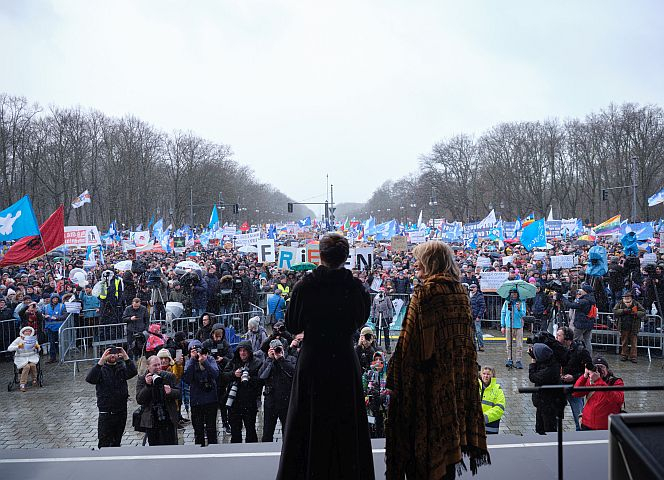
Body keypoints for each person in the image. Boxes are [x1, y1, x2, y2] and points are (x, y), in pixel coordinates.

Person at [386, 241, 489, 480]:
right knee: (447, 451)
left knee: (426, 451)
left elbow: (409, 346)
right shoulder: (461, 292)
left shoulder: (426, 293)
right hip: (454, 382)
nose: (415, 265)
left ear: (430, 262)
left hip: (428, 386)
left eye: (419, 259)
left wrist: (396, 380)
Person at [277, 233, 375, 480]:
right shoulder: (355, 288)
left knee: (307, 420)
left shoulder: (305, 286)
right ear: (346, 257)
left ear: (319, 255)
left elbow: (292, 324)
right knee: (346, 420)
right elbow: (360, 319)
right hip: (343, 359)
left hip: (314, 359)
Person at [85, 346, 137, 448]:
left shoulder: (121, 367)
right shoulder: (101, 369)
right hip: (106, 413)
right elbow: (90, 379)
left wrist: (126, 356)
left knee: (116, 442)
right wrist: (101, 361)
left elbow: (133, 372)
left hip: (121, 411)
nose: (112, 355)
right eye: (109, 353)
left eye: (115, 353)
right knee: (104, 443)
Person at [222, 340, 264, 443]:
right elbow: (223, 376)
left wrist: (249, 379)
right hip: (234, 402)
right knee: (235, 431)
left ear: (249, 352)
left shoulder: (257, 363)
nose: (242, 353)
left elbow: (261, 381)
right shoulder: (234, 361)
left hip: (249, 402)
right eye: (240, 350)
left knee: (250, 430)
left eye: (245, 350)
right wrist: (234, 374)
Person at [135, 355, 181, 445]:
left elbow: (179, 393)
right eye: (155, 365)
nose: (158, 367)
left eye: (159, 365)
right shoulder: (142, 378)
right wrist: (147, 386)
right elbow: (139, 399)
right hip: (151, 419)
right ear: (148, 366)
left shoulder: (168, 376)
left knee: (171, 446)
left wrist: (171, 391)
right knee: (155, 448)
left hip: (168, 417)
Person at [183, 339, 219, 446]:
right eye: (193, 350)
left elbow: (215, 374)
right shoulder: (189, 362)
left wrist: (205, 362)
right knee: (198, 430)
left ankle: (213, 450)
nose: (196, 352)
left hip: (210, 399)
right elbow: (187, 379)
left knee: (211, 429)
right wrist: (193, 360)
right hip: (196, 400)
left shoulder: (210, 359)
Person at [259, 338, 296, 442]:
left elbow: (294, 374)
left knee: (288, 432)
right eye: (274, 349)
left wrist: (281, 360)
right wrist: (270, 360)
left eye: (278, 349)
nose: (277, 352)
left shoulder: (291, 359)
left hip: (286, 401)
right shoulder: (268, 360)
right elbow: (262, 376)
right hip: (271, 401)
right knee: (267, 432)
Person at [573, 356, 624, 430]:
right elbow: (576, 393)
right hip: (587, 424)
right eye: (596, 367)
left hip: (606, 426)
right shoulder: (589, 381)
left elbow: (618, 399)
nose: (599, 369)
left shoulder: (616, 382)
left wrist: (598, 381)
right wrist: (584, 376)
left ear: (607, 369)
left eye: (602, 367)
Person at [556, 326, 591, 431]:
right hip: (560, 387)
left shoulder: (580, 351)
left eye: (559, 335)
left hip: (574, 388)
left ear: (566, 337)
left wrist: (573, 377)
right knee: (556, 418)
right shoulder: (557, 349)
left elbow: (589, 371)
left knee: (579, 419)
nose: (556, 337)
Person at [202, 323, 233, 434]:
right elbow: (201, 356)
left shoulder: (225, 344)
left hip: (221, 377)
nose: (218, 338)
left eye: (220, 336)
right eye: (216, 335)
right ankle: (208, 426)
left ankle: (225, 423)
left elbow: (231, 358)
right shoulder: (206, 344)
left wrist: (222, 359)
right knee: (209, 404)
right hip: (209, 376)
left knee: (223, 402)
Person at [528, 343, 565, 434]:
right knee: (540, 427)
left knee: (548, 430)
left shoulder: (549, 371)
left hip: (549, 405)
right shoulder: (549, 361)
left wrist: (532, 363)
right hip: (543, 403)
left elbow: (533, 377)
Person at [560, 283, 596, 357]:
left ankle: (571, 355)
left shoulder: (584, 300)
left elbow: (571, 305)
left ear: (586, 291)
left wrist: (562, 298)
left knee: (573, 340)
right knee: (587, 341)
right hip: (589, 324)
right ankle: (589, 356)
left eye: (582, 290)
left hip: (581, 324)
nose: (581, 291)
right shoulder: (592, 299)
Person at [612, 290, 646, 363]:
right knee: (624, 342)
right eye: (625, 297)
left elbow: (643, 311)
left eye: (628, 297)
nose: (627, 298)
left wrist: (636, 313)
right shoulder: (620, 303)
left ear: (631, 297)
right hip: (623, 326)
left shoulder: (636, 303)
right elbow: (615, 311)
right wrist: (623, 311)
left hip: (634, 326)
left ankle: (633, 357)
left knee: (634, 342)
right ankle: (624, 355)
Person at [7, 326, 41, 392]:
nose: (27, 332)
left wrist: (37, 347)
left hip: (31, 356)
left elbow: (39, 349)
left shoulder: (33, 339)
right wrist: (18, 346)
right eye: (26, 331)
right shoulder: (18, 339)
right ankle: (22, 384)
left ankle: (34, 379)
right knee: (27, 367)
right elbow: (9, 348)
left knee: (33, 365)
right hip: (21, 357)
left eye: (29, 331)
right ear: (23, 332)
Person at [500, 289, 527, 368]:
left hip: (519, 326)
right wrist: (502, 325)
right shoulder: (507, 302)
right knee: (509, 344)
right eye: (512, 294)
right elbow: (503, 313)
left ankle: (518, 360)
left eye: (515, 294)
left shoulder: (522, 303)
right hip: (509, 325)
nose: (513, 295)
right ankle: (509, 359)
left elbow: (523, 314)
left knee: (519, 345)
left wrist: (519, 309)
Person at [478, 366, 505, 434]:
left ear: (492, 376)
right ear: (481, 374)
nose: (485, 376)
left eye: (488, 374)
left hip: (490, 428)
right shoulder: (475, 386)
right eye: (484, 373)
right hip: (476, 426)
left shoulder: (497, 389)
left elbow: (499, 408)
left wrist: (484, 417)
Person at [371, 287, 395, 353]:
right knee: (377, 333)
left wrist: (390, 317)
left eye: (382, 291)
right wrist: (372, 317)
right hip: (377, 317)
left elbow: (390, 308)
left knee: (386, 333)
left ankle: (388, 347)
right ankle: (378, 347)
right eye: (380, 291)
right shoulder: (375, 298)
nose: (381, 292)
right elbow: (373, 308)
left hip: (385, 317)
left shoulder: (387, 298)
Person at [469, 284, 486, 351]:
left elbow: (483, 307)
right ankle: (473, 346)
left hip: (476, 317)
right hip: (470, 317)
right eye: (471, 287)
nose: (472, 288)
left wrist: (479, 316)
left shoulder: (479, 296)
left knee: (478, 332)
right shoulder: (468, 295)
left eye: (473, 287)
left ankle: (481, 345)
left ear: (476, 288)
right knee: (471, 332)